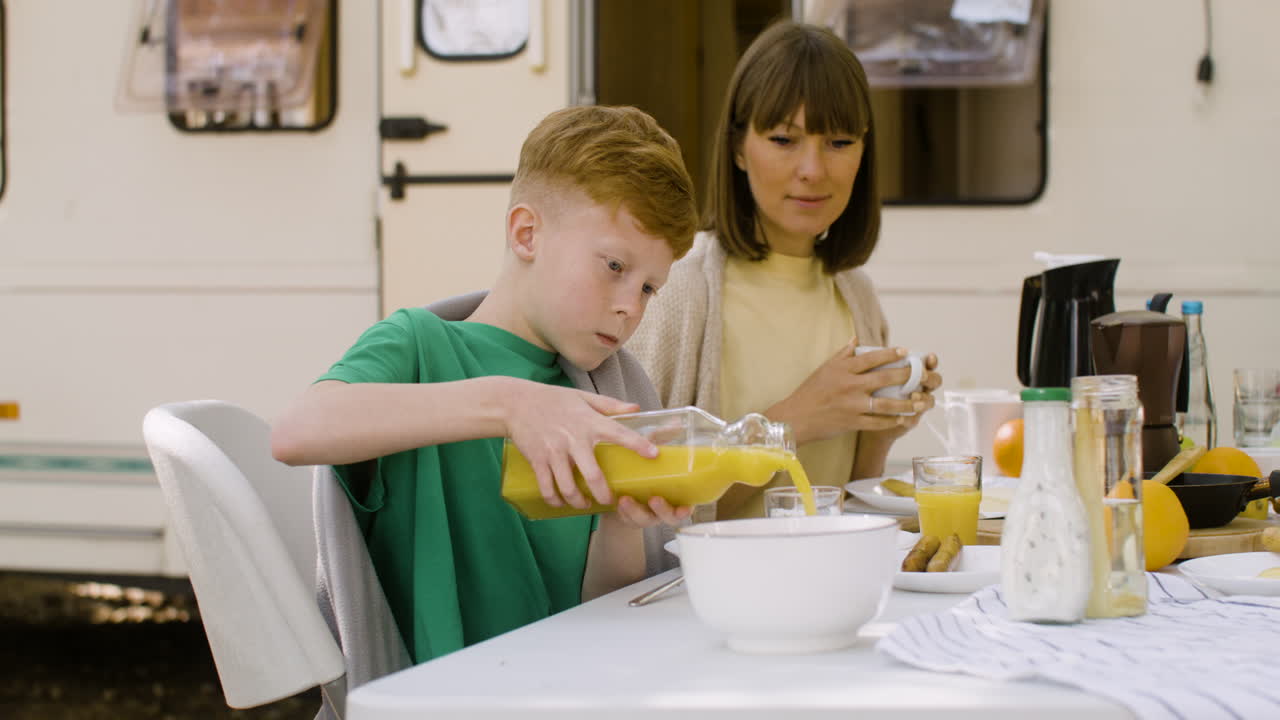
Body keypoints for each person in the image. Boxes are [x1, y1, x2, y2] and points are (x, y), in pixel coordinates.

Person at [271, 105, 699, 664]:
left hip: (561, 690)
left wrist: (620, 515)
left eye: (648, 288)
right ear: (527, 234)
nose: (629, 308)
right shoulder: (420, 346)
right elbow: (296, 431)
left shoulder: (616, 385)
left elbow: (602, 609)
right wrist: (508, 403)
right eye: (615, 267)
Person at [628, 21, 943, 520]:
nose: (813, 169)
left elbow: (845, 498)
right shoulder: (681, 288)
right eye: (783, 139)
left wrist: (880, 430)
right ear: (737, 148)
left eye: (839, 142)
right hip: (711, 590)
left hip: (826, 579)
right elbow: (643, 508)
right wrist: (793, 422)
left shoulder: (855, 294)